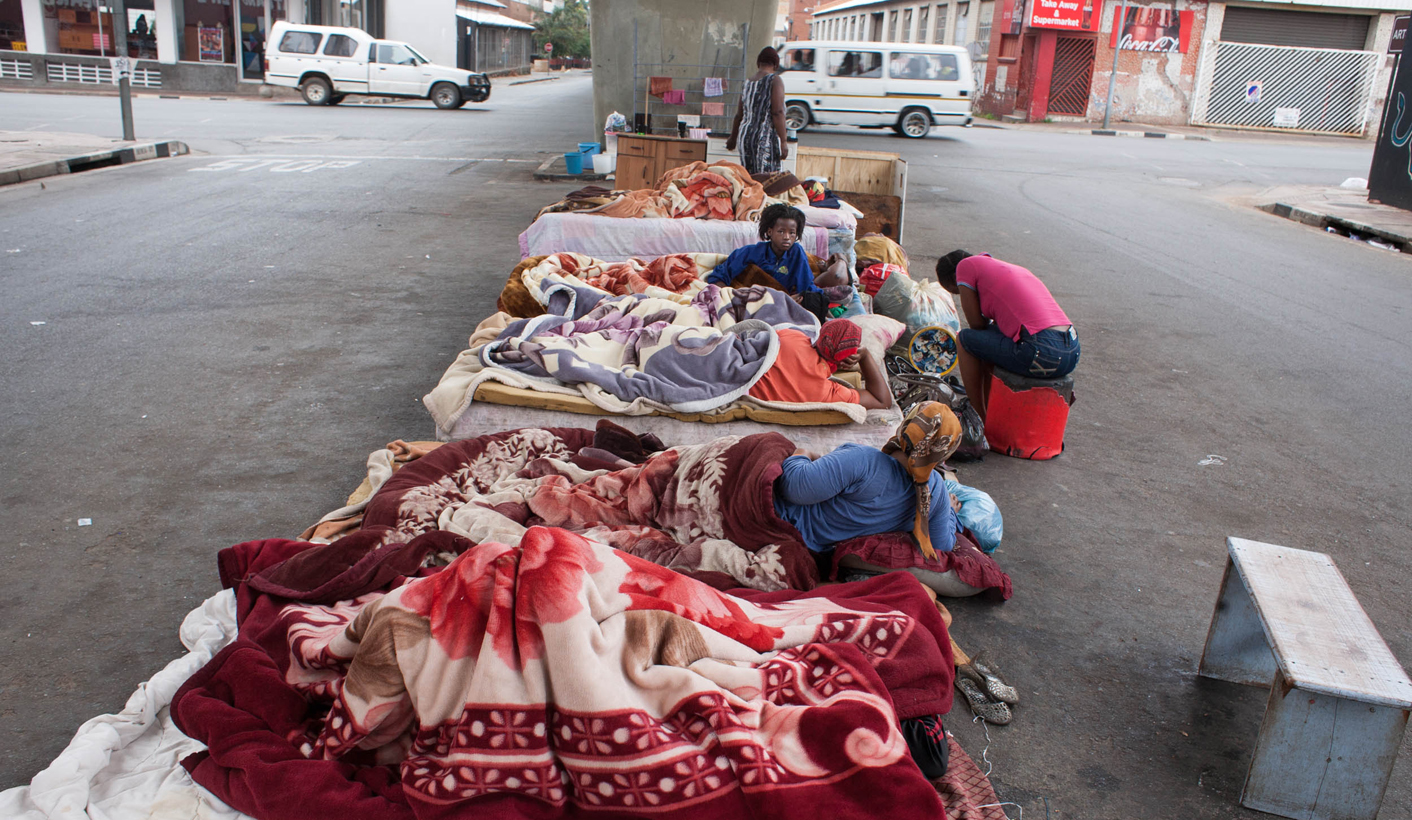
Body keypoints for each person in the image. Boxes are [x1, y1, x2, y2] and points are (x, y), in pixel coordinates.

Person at [773, 401, 963, 558]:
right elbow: (942, 545)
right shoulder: (935, 491)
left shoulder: (864, 460)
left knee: (769, 445)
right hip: (821, 551)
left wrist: (801, 453)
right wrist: (950, 513)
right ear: (943, 455)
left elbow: (794, 488)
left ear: (906, 427)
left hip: (789, 525)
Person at [934, 250, 1079, 420]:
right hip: (1071, 351)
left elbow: (976, 324)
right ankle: (990, 412)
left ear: (954, 280)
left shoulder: (965, 266)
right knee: (987, 343)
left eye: (958, 291)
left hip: (1041, 350)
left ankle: (977, 417)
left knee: (965, 339)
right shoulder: (1007, 269)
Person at [748, 318, 893, 410]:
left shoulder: (792, 337)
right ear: (847, 360)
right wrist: (866, 356)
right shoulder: (827, 392)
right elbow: (882, 400)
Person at [706, 203, 817, 295]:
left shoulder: (796, 252)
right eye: (781, 231)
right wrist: (732, 296)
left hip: (785, 302)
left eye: (792, 233)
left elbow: (806, 285)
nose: (787, 237)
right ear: (770, 232)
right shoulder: (751, 252)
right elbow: (717, 277)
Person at [726, 47, 788, 175]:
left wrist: (733, 138)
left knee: (749, 180)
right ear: (776, 65)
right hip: (764, 140)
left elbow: (739, 115)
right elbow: (778, 112)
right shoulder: (774, 80)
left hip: (745, 138)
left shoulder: (747, 83)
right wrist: (784, 141)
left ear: (758, 63)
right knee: (767, 182)